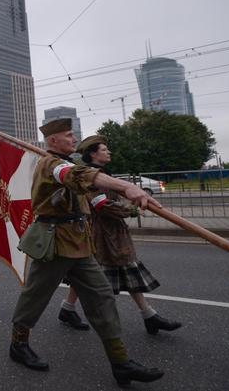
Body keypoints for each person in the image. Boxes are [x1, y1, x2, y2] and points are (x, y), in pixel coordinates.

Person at [9, 118, 164, 387]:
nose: (74, 138)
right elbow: (77, 176)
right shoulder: (51, 164)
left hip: (79, 244)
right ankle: (18, 344)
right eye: (69, 135)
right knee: (35, 296)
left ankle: (121, 363)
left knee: (102, 296)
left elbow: (92, 188)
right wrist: (128, 187)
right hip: (55, 244)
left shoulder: (70, 164)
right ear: (53, 140)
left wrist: (128, 201)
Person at [58, 136, 182, 335]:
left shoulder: (104, 174)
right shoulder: (91, 178)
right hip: (103, 233)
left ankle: (68, 309)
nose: (109, 152)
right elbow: (101, 206)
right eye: (104, 150)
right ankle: (145, 317)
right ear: (93, 154)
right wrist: (131, 211)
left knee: (95, 272)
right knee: (109, 270)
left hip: (111, 231)